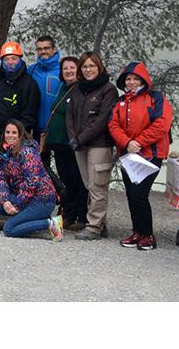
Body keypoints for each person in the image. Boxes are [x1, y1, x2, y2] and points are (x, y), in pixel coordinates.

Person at [108, 61, 173, 251]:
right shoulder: (121, 102)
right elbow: (113, 125)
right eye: (128, 78)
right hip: (128, 155)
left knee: (139, 194)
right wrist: (127, 143)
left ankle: (148, 235)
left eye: (136, 78)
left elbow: (162, 123)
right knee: (131, 194)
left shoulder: (156, 98)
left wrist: (140, 142)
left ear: (144, 79)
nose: (132, 82)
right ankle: (138, 231)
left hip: (151, 155)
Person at [66, 51, 119, 241]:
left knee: (98, 186)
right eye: (85, 67)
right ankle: (99, 223)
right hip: (79, 145)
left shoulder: (108, 89)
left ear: (99, 67)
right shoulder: (78, 89)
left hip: (99, 145)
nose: (88, 70)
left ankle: (94, 227)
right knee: (89, 184)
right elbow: (69, 114)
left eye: (92, 66)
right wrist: (73, 137)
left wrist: (80, 138)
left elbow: (103, 120)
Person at [0, 119, 62, 240]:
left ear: (20, 134)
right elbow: (1, 180)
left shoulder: (27, 152)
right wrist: (6, 201)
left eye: (14, 132)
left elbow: (32, 182)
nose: (10, 135)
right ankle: (26, 219)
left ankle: (50, 223)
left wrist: (17, 206)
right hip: (25, 197)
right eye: (7, 132)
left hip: (42, 199)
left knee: (8, 229)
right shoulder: (4, 153)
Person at [42, 56, 88, 231]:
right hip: (58, 143)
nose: (68, 71)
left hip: (72, 143)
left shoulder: (80, 89)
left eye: (72, 68)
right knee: (66, 180)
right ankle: (69, 213)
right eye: (65, 69)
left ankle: (82, 216)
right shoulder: (63, 88)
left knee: (78, 180)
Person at [0, 41, 40, 141]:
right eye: (6, 59)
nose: (10, 62)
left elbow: (29, 117)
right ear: (1, 61)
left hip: (14, 140)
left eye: (14, 58)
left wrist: (13, 134)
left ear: (20, 59)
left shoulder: (29, 84)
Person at [29, 35, 62, 168]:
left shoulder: (63, 69)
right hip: (37, 128)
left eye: (47, 48)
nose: (43, 51)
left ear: (54, 49)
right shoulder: (32, 70)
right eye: (39, 49)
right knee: (41, 167)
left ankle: (66, 189)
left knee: (64, 167)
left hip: (58, 128)